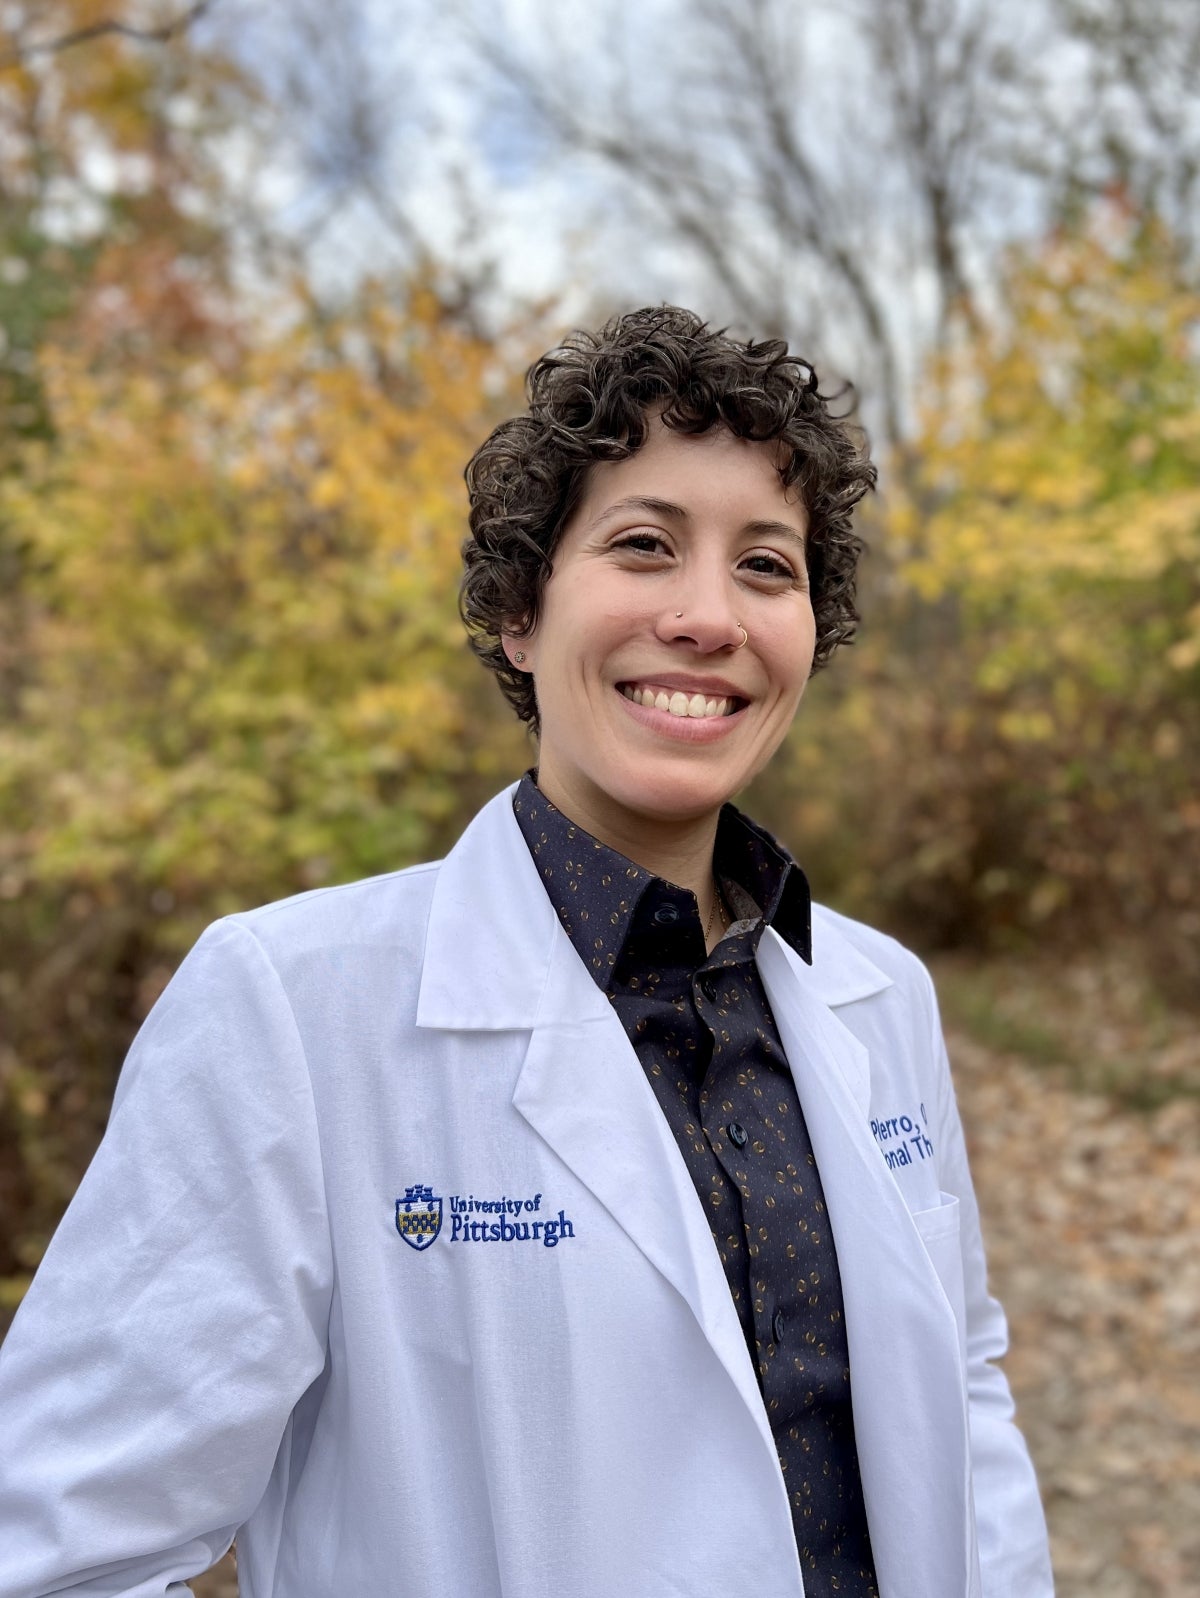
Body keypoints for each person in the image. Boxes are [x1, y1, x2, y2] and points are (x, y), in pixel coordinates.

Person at [0, 307, 1054, 1598]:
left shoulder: (878, 992)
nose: (709, 615)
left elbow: (961, 1389)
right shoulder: (290, 1010)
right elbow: (59, 1550)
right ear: (517, 609)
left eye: (767, 567)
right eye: (644, 544)